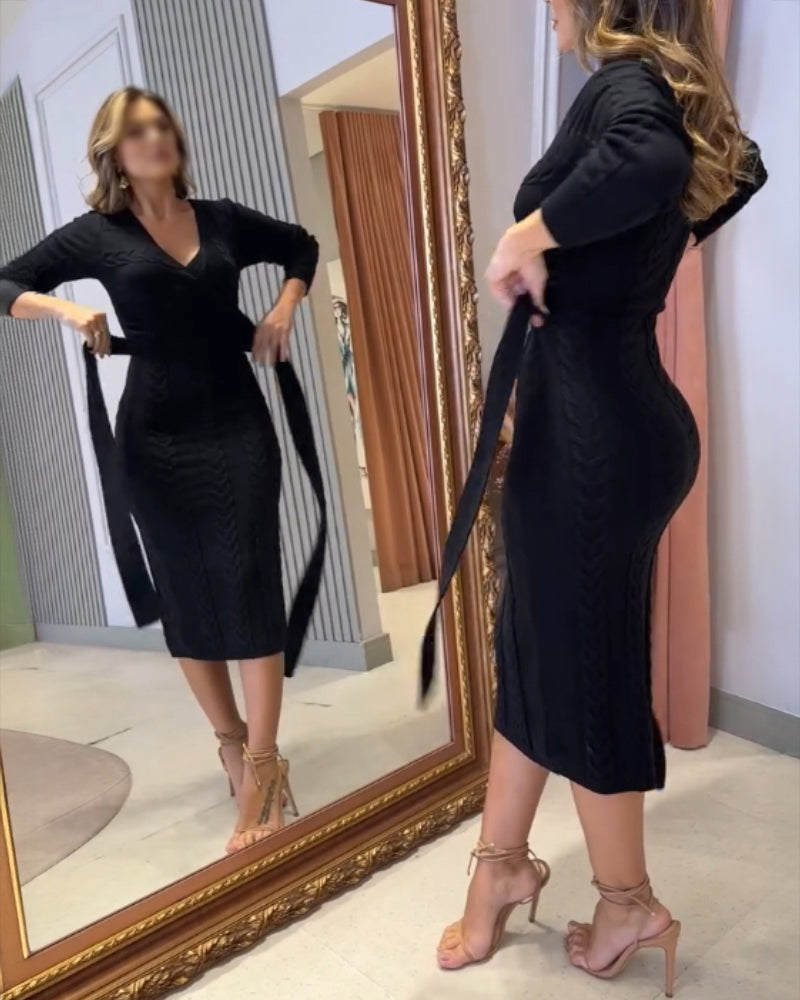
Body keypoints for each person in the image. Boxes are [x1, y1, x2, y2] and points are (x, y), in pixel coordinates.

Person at [429, 0, 767, 990]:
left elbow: (653, 165)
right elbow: (735, 169)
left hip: (593, 441)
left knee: (583, 669)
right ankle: (499, 866)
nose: (546, 8)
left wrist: (525, 234)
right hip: (607, 426)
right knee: (534, 647)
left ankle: (627, 902)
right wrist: (609, 264)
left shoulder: (623, 86)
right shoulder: (661, 91)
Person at [0, 87, 322, 855]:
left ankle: (266, 765)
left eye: (162, 125)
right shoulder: (97, 234)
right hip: (154, 435)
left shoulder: (222, 218)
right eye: (138, 130)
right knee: (186, 593)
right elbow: (5, 283)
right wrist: (65, 311)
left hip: (236, 422)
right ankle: (231, 743)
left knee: (250, 581)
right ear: (113, 150)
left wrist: (283, 309)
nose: (156, 137)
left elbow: (302, 246)